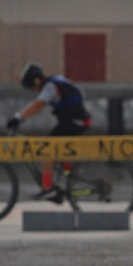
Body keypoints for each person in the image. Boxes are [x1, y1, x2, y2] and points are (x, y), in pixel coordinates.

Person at [7, 63, 91, 202]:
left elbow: (38, 104)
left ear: (36, 80)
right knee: (52, 149)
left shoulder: (50, 86)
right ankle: (70, 170)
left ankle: (48, 189)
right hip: (75, 121)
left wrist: (18, 118)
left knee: (46, 150)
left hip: (75, 122)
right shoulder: (55, 82)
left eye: (31, 86)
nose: (33, 90)